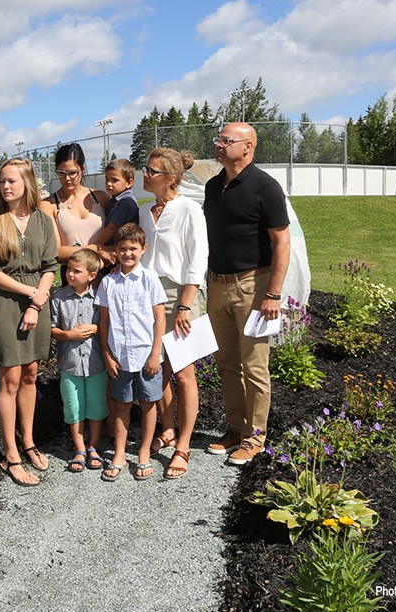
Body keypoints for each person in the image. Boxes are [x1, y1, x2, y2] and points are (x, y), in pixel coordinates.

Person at [203, 122, 291, 466]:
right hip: (217, 284)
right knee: (226, 363)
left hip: (254, 287)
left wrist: (273, 294)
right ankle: (236, 429)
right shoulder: (213, 187)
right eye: (218, 139)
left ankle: (255, 436)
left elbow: (282, 241)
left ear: (248, 147)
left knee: (254, 366)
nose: (219, 145)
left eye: (227, 140)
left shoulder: (265, 187)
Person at [0, 158, 58, 486]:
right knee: (10, 378)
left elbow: (50, 265)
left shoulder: (43, 219)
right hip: (7, 304)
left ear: (27, 183)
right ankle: (10, 454)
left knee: (30, 374)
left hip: (36, 304)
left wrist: (37, 303)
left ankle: (28, 442)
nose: (6, 187)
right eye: (2, 182)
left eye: (12, 181)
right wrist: (30, 294)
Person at [139, 147, 208, 479]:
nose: (145, 174)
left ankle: (183, 446)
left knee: (183, 373)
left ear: (170, 178)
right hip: (147, 297)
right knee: (158, 370)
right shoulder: (143, 212)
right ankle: (166, 431)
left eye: (152, 171)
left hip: (178, 295)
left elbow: (198, 259)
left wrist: (185, 304)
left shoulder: (189, 210)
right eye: (145, 169)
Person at [95, 223, 167, 482]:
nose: (127, 253)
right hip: (120, 358)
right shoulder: (108, 283)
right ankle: (119, 454)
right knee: (122, 404)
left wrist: (154, 352)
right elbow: (104, 323)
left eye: (133, 249)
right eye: (123, 248)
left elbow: (160, 319)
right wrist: (108, 354)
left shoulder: (150, 280)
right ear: (115, 250)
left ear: (143, 250)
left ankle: (144, 452)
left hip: (147, 355)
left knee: (148, 404)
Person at [50, 248, 108, 473]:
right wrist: (67, 335)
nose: (70, 275)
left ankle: (93, 445)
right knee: (74, 408)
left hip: (96, 365)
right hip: (70, 365)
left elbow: (108, 326)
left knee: (95, 406)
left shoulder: (100, 299)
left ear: (91, 276)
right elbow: (51, 328)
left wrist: (95, 328)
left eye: (76, 271)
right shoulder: (59, 298)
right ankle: (79, 448)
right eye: (69, 271)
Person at [38, 142, 113, 279]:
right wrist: (96, 249)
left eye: (72, 173)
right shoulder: (48, 205)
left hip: (107, 273)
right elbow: (56, 251)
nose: (67, 179)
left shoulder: (101, 198)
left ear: (83, 168)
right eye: (61, 173)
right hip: (74, 279)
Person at [87, 157, 139, 252]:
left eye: (114, 180)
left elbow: (111, 228)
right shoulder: (115, 199)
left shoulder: (126, 202)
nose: (109, 184)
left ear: (129, 183)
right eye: (107, 179)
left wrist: (95, 247)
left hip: (122, 250)